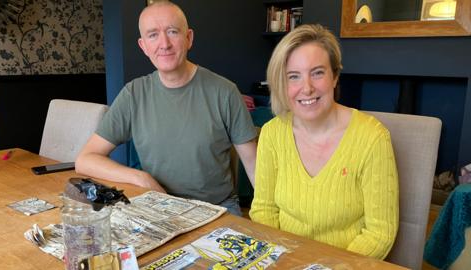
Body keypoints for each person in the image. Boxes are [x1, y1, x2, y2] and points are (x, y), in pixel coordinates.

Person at [76, 1, 257, 216]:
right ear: (143, 46)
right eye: (153, 35)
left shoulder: (225, 91)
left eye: (172, 32)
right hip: (158, 207)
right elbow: (85, 159)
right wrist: (140, 177)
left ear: (188, 38)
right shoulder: (134, 94)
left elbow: (254, 165)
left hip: (216, 209)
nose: (164, 44)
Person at [249, 24, 399, 259]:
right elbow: (263, 211)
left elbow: (379, 233)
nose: (306, 88)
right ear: (282, 83)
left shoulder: (373, 138)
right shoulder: (271, 133)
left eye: (317, 73)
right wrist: (283, 261)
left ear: (335, 77)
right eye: (294, 77)